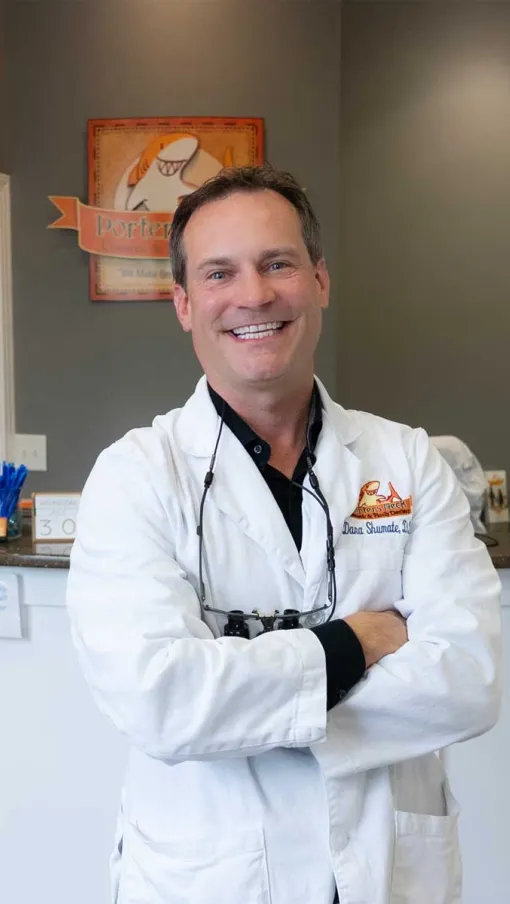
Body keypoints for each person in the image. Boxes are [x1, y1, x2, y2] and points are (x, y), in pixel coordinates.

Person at [67, 165, 501, 904]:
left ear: (320, 280)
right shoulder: (136, 475)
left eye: (278, 263)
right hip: (208, 875)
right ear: (182, 302)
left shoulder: (407, 458)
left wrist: (241, 697)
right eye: (218, 272)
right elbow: (161, 704)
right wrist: (356, 643)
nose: (254, 295)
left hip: (388, 869)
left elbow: (467, 681)